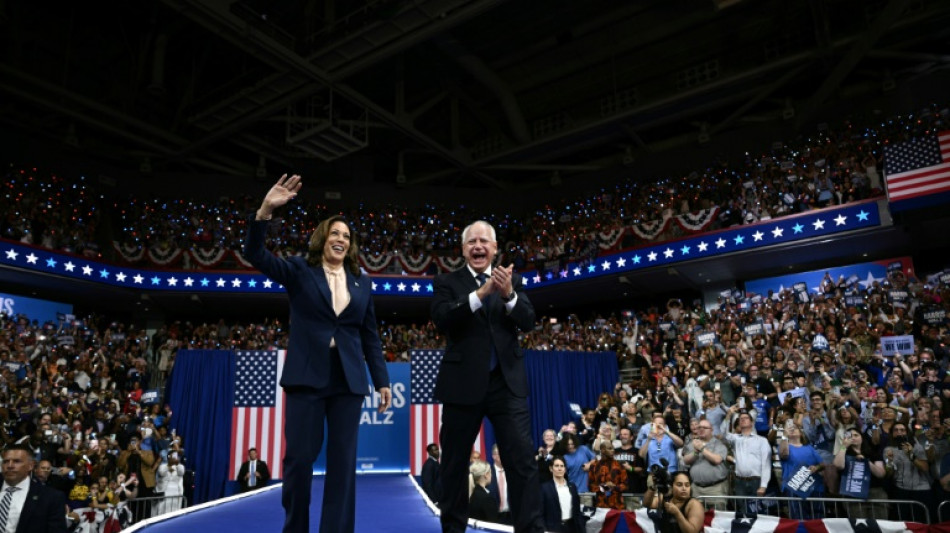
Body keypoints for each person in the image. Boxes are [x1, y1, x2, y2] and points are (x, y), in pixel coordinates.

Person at [246, 174, 393, 533]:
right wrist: (265, 210)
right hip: (306, 376)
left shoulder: (363, 282)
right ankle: (295, 527)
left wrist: (382, 380)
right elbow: (255, 254)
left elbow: (370, 335)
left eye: (347, 236)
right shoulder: (299, 270)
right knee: (299, 460)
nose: (341, 239)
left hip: (348, 380)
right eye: (335, 233)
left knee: (343, 463)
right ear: (322, 238)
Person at [430, 220, 543, 533]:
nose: (478, 247)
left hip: (506, 385)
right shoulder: (447, 281)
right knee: (453, 465)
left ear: (495, 249)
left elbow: (529, 321)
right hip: (462, 385)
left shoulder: (513, 280)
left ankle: (530, 529)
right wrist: (481, 293)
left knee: (522, 462)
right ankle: (453, 529)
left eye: (484, 241)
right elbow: (442, 318)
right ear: (464, 249)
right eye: (471, 242)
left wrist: (507, 295)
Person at [1, 443, 68, 533]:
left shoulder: (51, 497)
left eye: (17, 461)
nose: (9, 466)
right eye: (5, 461)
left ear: (31, 466)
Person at [720, 411, 771, 516]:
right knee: (742, 513)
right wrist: (728, 416)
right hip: (739, 482)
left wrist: (763, 485)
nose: (742, 419)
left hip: (756, 481)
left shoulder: (762, 440)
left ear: (752, 423)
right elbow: (723, 433)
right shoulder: (736, 439)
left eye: (746, 418)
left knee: (758, 514)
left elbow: (766, 464)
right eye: (740, 418)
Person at [833, 428, 888, 519]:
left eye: (856, 435)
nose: (853, 438)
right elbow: (838, 465)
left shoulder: (872, 453)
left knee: (879, 524)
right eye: (850, 436)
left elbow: (881, 474)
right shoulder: (843, 453)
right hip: (853, 494)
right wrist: (843, 447)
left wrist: (867, 462)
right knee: (860, 526)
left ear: (862, 438)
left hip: (875, 492)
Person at [777, 420, 824, 519]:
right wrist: (784, 435)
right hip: (794, 488)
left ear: (801, 432)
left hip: (814, 486)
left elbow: (822, 464)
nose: (792, 429)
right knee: (799, 520)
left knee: (818, 520)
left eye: (795, 427)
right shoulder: (784, 446)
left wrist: (817, 467)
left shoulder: (809, 448)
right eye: (789, 427)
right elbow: (784, 454)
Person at [680, 420, 728, 510]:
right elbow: (686, 460)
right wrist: (695, 452)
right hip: (697, 489)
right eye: (699, 427)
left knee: (717, 519)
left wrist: (702, 448)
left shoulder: (719, 444)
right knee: (697, 518)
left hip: (715, 489)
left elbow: (717, 460)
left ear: (711, 430)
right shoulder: (691, 444)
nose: (701, 429)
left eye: (705, 428)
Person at [540, 457, 585, 533]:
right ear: (551, 469)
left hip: (572, 528)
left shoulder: (572, 487)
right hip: (553, 529)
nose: (559, 468)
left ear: (565, 469)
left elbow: (577, 512)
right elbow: (541, 513)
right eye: (556, 466)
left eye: (562, 466)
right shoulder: (544, 488)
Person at [588, 441, 628, 509]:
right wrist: (604, 487)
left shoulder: (619, 465)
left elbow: (626, 485)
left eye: (613, 449)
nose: (613, 451)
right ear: (603, 450)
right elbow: (590, 486)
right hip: (601, 505)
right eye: (610, 448)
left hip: (617, 505)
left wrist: (614, 486)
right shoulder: (594, 466)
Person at [488, 444, 512, 524]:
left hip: (511, 515)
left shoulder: (512, 472)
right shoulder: (487, 473)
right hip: (493, 516)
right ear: (494, 456)